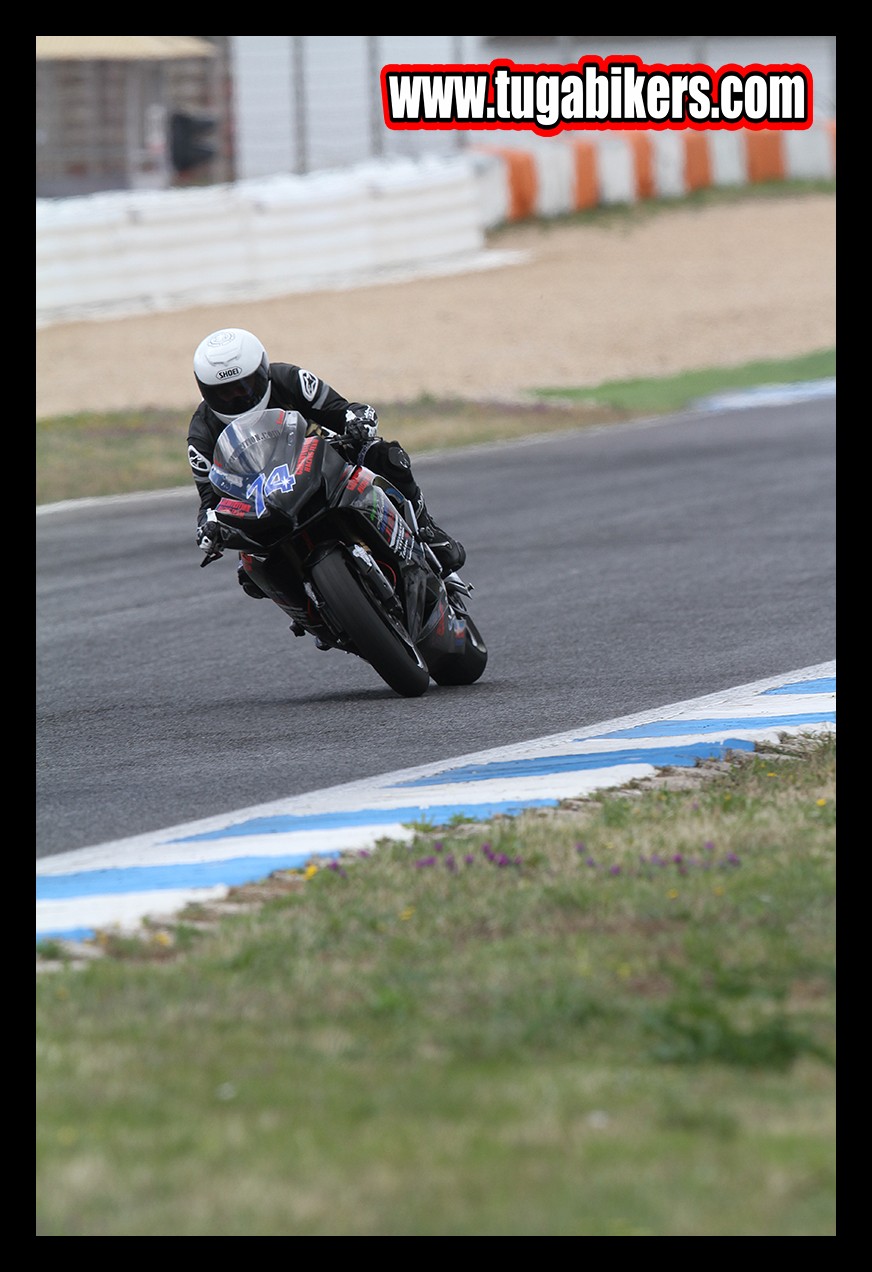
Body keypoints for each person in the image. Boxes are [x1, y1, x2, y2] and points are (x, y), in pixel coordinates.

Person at [187, 327, 466, 598]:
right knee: (250, 573)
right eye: (224, 392)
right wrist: (207, 528)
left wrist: (357, 420)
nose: (237, 397)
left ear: (263, 373)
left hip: (320, 463)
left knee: (385, 456)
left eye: (244, 386)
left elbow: (341, 411)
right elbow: (210, 499)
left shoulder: (290, 379)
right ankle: (310, 610)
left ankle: (426, 530)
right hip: (261, 500)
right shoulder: (202, 433)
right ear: (207, 392)